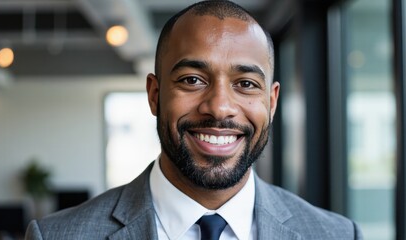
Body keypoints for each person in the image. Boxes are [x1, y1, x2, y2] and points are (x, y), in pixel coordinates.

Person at [25, 1, 363, 239]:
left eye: (245, 84)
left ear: (272, 102)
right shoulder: (55, 236)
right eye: (192, 80)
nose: (219, 108)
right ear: (155, 95)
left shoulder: (338, 235)